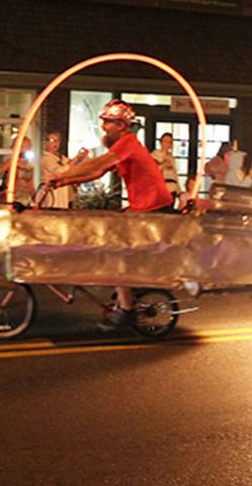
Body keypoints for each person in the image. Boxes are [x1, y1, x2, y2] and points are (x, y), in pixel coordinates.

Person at [46, 99, 172, 326]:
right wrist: (64, 181)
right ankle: (126, 292)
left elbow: (98, 164)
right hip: (144, 206)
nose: (103, 127)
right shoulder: (125, 146)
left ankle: (126, 309)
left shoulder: (128, 143)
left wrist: (60, 175)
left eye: (107, 122)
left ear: (121, 126)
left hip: (152, 208)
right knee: (111, 235)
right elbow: (98, 172)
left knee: (114, 250)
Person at [39, 132, 88, 209]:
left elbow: (71, 165)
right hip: (53, 192)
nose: (55, 143)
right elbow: (60, 171)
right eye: (52, 140)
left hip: (64, 192)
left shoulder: (61, 157)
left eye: (57, 141)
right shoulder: (46, 159)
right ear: (46, 143)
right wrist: (76, 158)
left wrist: (80, 158)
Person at [0, 136, 35, 204]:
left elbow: (31, 186)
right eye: (22, 147)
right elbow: (0, 171)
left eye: (27, 147)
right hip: (11, 198)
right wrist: (14, 160)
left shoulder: (29, 167)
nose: (24, 150)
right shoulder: (11, 162)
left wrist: (35, 200)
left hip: (24, 200)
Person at [151, 133, 181, 201]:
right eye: (165, 141)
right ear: (161, 142)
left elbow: (175, 175)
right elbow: (151, 171)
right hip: (160, 188)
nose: (167, 144)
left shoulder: (171, 158)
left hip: (172, 188)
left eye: (170, 142)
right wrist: (162, 165)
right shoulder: (154, 155)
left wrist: (179, 191)